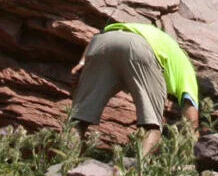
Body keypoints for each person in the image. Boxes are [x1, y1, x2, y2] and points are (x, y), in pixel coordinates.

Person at [69, 21, 202, 155]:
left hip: (102, 41)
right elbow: (191, 121)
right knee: (151, 126)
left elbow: (100, 34)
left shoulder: (165, 43)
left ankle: (61, 168)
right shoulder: (187, 70)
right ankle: (141, 172)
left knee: (77, 119)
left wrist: (82, 62)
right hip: (140, 48)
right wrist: (191, 152)